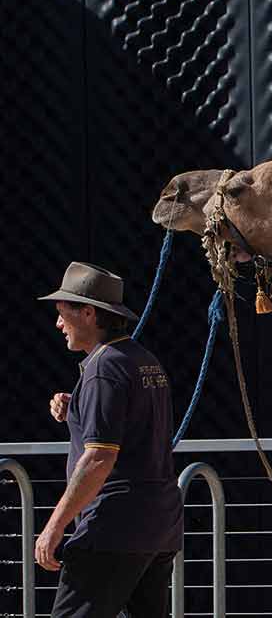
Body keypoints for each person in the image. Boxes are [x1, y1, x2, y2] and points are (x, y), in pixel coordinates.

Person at [36, 262, 184, 618]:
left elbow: (99, 459)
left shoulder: (104, 368)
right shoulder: (141, 359)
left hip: (113, 527)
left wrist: (54, 527)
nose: (58, 325)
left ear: (88, 313)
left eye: (63, 314)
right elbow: (135, 426)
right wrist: (78, 407)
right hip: (158, 527)